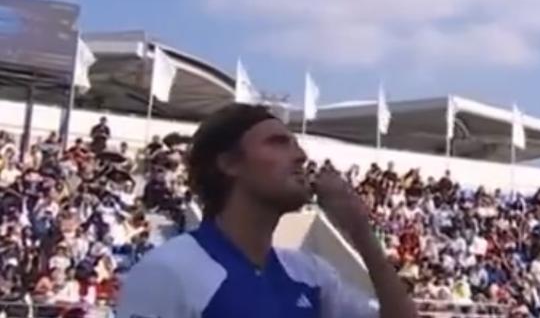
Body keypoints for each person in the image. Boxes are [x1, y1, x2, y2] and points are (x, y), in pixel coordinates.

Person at [115, 103, 416, 318]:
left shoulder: (311, 275)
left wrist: (360, 229)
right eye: (278, 143)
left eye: (295, 145)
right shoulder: (169, 271)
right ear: (229, 163)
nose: (301, 156)